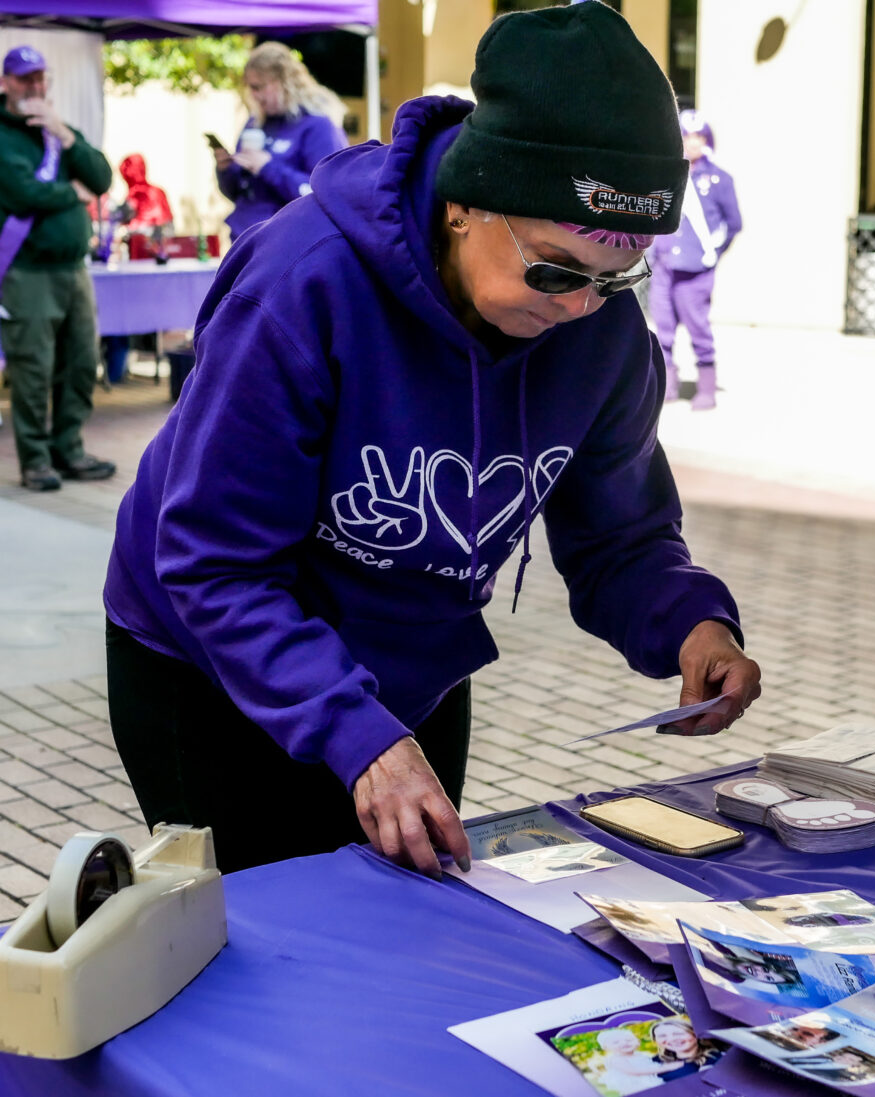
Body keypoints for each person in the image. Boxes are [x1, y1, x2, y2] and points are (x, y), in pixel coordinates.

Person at [103, 3, 762, 876]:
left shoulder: (600, 331)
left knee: (409, 913)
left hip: (410, 659)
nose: (579, 305)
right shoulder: (304, 288)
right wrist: (356, 734)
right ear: (468, 203)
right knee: (263, 942)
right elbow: (216, 564)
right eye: (556, 267)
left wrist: (692, 623)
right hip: (212, 665)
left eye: (620, 274)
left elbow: (622, 536)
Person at [0, 45, 116, 492]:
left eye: (40, 77)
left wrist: (65, 136)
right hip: (27, 270)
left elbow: (102, 178)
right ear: (7, 83)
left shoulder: (56, 129)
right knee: (33, 368)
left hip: (73, 267)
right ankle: (34, 459)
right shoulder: (5, 136)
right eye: (25, 79)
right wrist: (75, 192)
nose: (35, 86)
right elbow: (22, 193)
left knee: (82, 362)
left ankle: (69, 449)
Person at [648, 109, 742, 410]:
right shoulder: (666, 173)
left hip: (695, 269)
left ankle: (706, 389)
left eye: (698, 137)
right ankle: (666, 386)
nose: (691, 143)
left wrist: (712, 252)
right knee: (662, 329)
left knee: (698, 328)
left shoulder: (718, 179)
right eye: (685, 136)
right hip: (664, 264)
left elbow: (734, 223)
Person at [214, 41, 348, 241]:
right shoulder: (255, 123)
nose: (253, 95)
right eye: (250, 88)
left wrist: (267, 167)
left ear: (283, 82)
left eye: (258, 87)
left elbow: (325, 195)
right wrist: (226, 171)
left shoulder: (318, 126)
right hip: (244, 239)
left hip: (286, 245)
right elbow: (238, 193)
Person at [102, 153, 175, 384]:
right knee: (119, 315)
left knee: (123, 315)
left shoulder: (147, 196)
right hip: (133, 269)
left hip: (150, 270)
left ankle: (117, 371)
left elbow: (167, 230)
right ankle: (116, 370)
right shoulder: (130, 200)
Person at [591, 1027, 670, 1093]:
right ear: (606, 1047)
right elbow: (634, 1072)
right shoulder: (616, 1059)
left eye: (629, 1040)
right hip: (635, 1084)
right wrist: (666, 1068)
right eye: (616, 1042)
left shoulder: (640, 1054)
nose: (624, 1043)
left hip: (649, 1079)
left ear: (638, 1042)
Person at [649, 1017, 724, 1080]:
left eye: (678, 1034)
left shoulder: (717, 1058)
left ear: (695, 1034)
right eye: (662, 1036)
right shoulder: (653, 1062)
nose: (671, 1039)